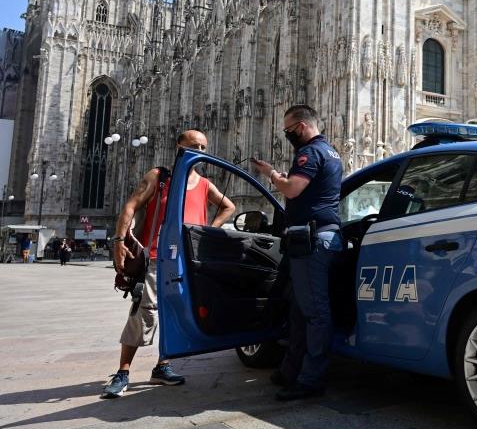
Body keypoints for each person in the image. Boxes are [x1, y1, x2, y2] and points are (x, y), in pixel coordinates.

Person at [100, 129, 236, 399]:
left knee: (176, 313)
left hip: (186, 260)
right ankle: (123, 372)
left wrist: (207, 231)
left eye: (203, 147)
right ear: (179, 146)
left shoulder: (204, 184)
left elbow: (228, 206)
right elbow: (130, 206)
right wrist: (119, 240)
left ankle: (162, 367)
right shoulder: (160, 177)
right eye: (193, 145)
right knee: (144, 312)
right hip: (156, 257)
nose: (199, 151)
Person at [251, 104, 343, 401]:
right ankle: (291, 370)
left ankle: (311, 380)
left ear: (302, 126)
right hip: (317, 238)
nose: (287, 135)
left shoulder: (310, 153)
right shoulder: (331, 152)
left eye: (288, 130)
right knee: (300, 309)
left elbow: (292, 189)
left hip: (312, 240)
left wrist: (271, 174)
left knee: (315, 313)